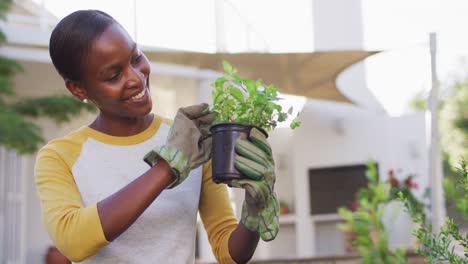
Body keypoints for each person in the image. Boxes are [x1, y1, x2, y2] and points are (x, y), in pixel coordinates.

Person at [35, 10, 279, 264]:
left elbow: (228, 253)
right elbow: (73, 241)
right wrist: (167, 168)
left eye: (136, 57)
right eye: (113, 75)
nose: (136, 78)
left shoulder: (190, 140)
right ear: (79, 89)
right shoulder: (59, 157)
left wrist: (252, 215)